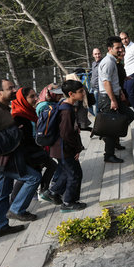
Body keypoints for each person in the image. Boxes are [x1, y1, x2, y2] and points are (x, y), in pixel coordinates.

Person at [0, 79, 41, 238]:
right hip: (2, 159)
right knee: (34, 178)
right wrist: (14, 132)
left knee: (2, 192)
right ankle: (16, 210)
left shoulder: (4, 108)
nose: (14, 90)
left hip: (7, 156)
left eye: (14, 86)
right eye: (10, 88)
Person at [10, 87, 57, 204]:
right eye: (31, 97)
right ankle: (15, 203)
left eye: (36, 95)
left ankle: (40, 192)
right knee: (30, 176)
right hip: (27, 151)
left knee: (40, 171)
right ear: (23, 99)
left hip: (35, 148)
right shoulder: (18, 116)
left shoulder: (29, 111)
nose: (36, 99)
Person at [48, 80, 87, 212]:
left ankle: (54, 192)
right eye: (80, 91)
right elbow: (66, 134)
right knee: (75, 174)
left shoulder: (65, 106)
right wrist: (76, 149)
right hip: (64, 149)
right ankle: (68, 202)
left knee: (67, 171)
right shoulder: (66, 111)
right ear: (71, 94)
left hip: (60, 149)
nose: (83, 93)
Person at [98, 36, 134, 163]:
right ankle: (108, 154)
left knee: (129, 115)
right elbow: (106, 82)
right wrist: (113, 100)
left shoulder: (113, 60)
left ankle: (114, 141)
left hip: (114, 95)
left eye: (121, 47)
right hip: (108, 98)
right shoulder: (108, 62)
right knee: (111, 127)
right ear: (110, 49)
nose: (120, 49)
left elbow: (113, 81)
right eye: (117, 47)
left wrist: (120, 92)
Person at [89, 48, 102, 115]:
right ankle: (99, 118)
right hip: (92, 88)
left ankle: (99, 122)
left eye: (98, 53)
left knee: (96, 107)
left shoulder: (103, 63)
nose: (97, 55)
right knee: (88, 105)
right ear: (93, 55)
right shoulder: (93, 63)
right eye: (95, 54)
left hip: (98, 88)